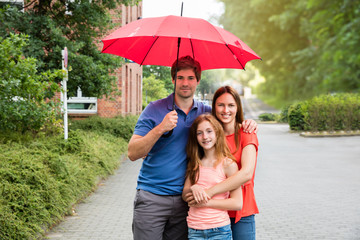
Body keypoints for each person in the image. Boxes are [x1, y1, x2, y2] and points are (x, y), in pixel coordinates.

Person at [127, 56, 258, 240]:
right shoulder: (154, 109)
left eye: (190, 78)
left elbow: (227, 116)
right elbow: (133, 153)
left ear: (198, 80)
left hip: (186, 203)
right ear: (173, 79)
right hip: (153, 197)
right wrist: (161, 128)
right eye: (180, 77)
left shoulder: (205, 113)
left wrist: (247, 123)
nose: (185, 83)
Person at [186, 86, 259, 240]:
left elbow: (246, 173)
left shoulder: (246, 133)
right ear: (214, 107)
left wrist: (208, 194)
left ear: (238, 107)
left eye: (231, 105)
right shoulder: (209, 137)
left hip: (240, 211)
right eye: (221, 105)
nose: (226, 110)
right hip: (210, 217)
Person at [182, 114, 243, 240]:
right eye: (200, 133)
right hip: (194, 230)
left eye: (209, 131)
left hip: (219, 230)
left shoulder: (228, 164)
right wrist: (195, 187)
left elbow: (237, 203)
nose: (205, 137)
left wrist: (205, 202)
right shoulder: (194, 163)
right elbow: (185, 195)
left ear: (217, 133)